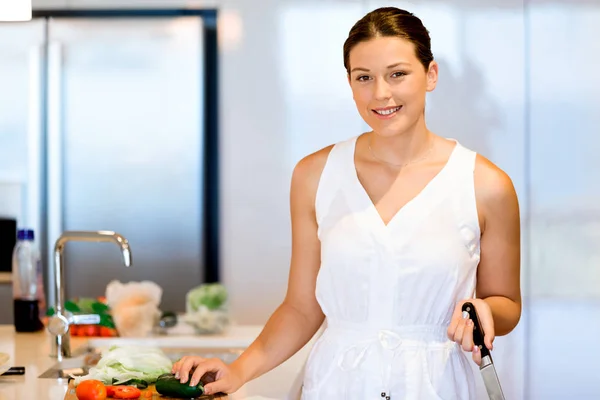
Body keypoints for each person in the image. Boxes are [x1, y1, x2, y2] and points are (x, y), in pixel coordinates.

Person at [172, 6, 522, 399]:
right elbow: (302, 308)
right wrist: (237, 371)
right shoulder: (314, 175)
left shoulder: (486, 185)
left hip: (437, 386)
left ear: (431, 75)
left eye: (398, 74)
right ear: (351, 83)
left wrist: (484, 310)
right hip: (336, 384)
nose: (381, 93)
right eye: (364, 78)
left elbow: (507, 302)